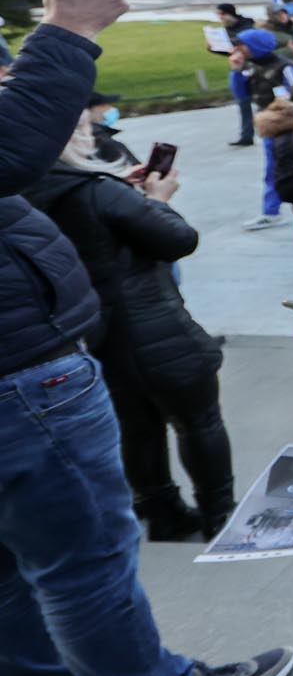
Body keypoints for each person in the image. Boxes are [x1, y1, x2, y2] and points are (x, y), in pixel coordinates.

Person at [1, 0, 293, 676]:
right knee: (80, 556)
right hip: (24, 370)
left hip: (43, 360)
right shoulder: (84, 183)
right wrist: (67, 29)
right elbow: (12, 152)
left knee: (11, 563)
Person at [29, 110, 235, 540]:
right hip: (156, 327)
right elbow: (179, 239)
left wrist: (127, 196)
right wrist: (156, 200)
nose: (92, 135)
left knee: (136, 425)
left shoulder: (24, 192)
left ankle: (163, 513)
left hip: (97, 335)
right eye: (83, 127)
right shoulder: (96, 190)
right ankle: (220, 514)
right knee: (199, 422)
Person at [235, 29, 293, 232]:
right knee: (273, 169)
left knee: (288, 167)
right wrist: (236, 71)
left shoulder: (285, 68)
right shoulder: (251, 66)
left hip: (287, 126)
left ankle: (276, 210)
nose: (239, 49)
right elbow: (241, 95)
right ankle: (271, 211)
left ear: (256, 45)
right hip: (270, 126)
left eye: (243, 45)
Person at [216, 3, 258, 147]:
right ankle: (246, 135)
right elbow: (230, 50)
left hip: (254, 67)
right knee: (243, 102)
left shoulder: (247, 26)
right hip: (239, 67)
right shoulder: (227, 29)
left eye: (222, 14)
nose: (220, 18)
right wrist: (214, 48)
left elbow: (246, 44)